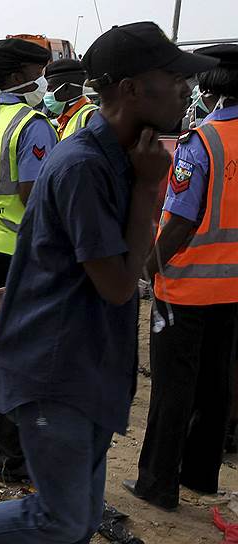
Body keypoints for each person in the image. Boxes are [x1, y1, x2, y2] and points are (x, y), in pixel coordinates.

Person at [0, 22, 217, 544]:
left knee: (78, 520)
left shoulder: (117, 157)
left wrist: (9, 294)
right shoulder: (86, 164)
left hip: (86, 364)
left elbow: (50, 253)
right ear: (130, 88)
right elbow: (119, 282)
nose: (188, 88)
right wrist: (151, 189)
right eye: (174, 76)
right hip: (58, 370)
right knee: (62, 520)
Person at [124, 43, 238, 513]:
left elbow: (181, 221)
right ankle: (201, 475)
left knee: (173, 386)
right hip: (233, 288)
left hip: (187, 286)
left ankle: (157, 482)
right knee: (217, 381)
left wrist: (146, 269)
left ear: (210, 87)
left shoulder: (202, 141)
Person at [0, 38, 57, 483]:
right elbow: (32, 193)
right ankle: (9, 459)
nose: (45, 81)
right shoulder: (34, 124)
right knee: (18, 354)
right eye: (40, 72)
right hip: (16, 249)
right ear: (21, 76)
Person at [44, 58, 99, 139]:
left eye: (49, 89)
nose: (46, 94)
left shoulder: (91, 116)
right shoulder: (65, 118)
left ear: (66, 89)